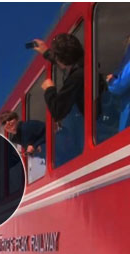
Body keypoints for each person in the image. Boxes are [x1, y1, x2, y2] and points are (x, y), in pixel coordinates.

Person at [31, 33, 85, 165]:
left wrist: (49, 89)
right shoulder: (84, 66)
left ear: (62, 59)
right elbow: (64, 64)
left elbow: (58, 110)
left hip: (82, 138)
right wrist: (46, 52)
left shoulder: (76, 78)